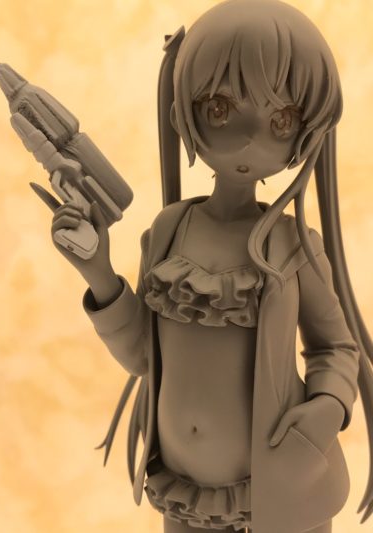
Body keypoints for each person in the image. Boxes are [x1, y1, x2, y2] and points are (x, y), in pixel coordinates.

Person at [47, 1, 372, 532]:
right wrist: (98, 272)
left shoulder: (294, 246)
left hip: (278, 486)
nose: (250, 138)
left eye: (280, 121)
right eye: (220, 109)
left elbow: (336, 346)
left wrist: (328, 407)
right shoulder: (169, 232)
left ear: (304, 133)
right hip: (182, 489)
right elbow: (144, 356)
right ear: (186, 113)